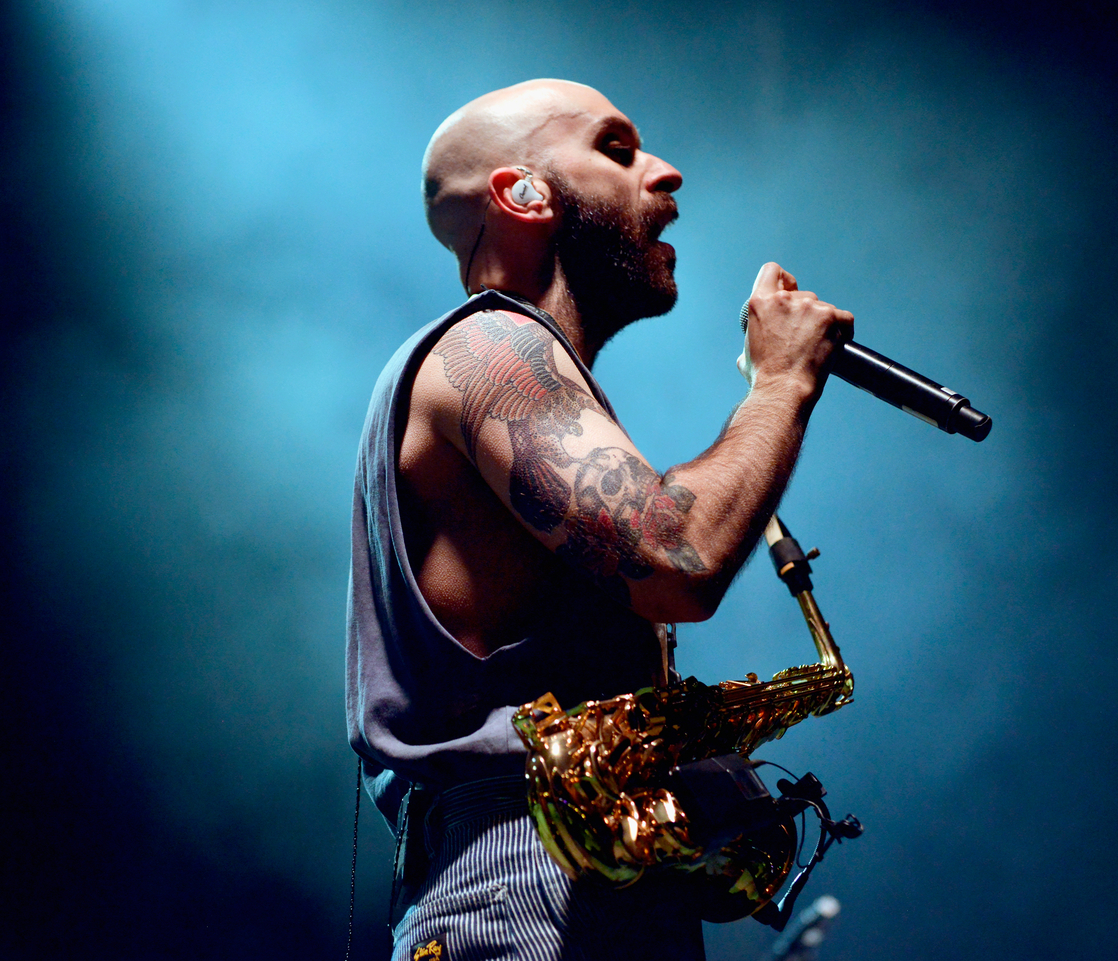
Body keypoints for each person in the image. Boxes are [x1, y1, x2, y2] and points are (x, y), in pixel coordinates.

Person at [346, 78, 853, 959]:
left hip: (571, 878)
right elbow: (680, 554)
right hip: (523, 876)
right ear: (522, 193)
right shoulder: (490, 346)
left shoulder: (526, 372)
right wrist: (782, 382)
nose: (668, 173)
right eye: (616, 150)